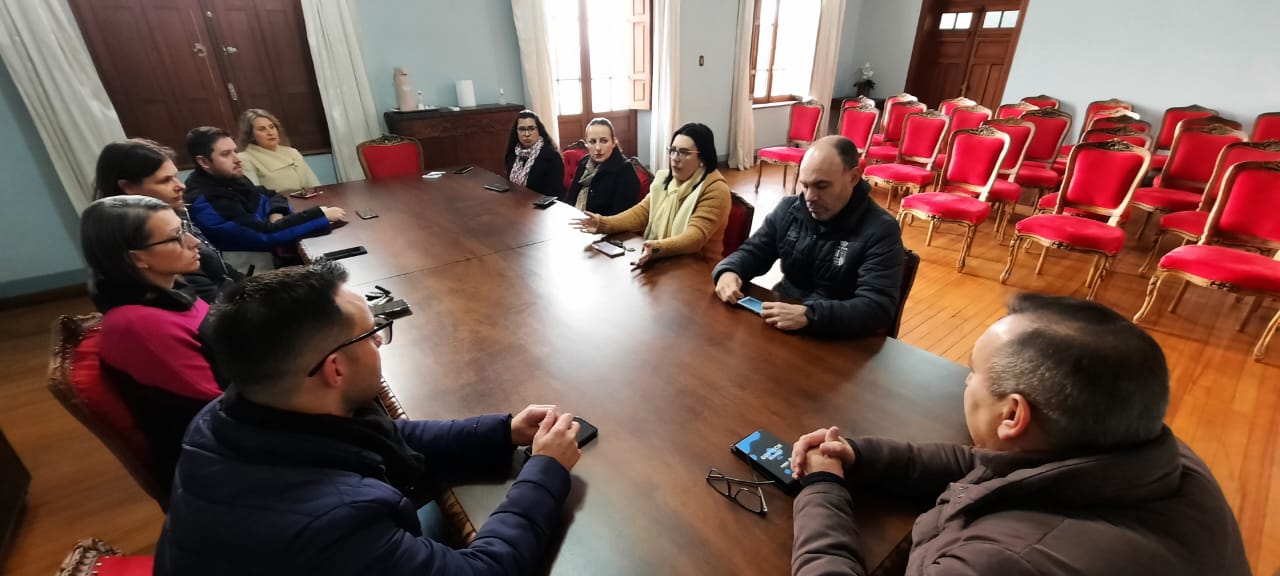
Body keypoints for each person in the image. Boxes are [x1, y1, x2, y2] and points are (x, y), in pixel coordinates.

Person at [155, 261, 583, 575]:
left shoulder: (225, 416)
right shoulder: (334, 524)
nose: (379, 341)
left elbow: (381, 435)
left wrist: (503, 432)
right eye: (370, 332)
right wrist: (545, 470)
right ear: (335, 369)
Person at [788, 293, 1250, 576]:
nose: (966, 382)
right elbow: (995, 466)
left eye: (973, 372)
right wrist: (860, 455)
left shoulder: (1002, 561)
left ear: (1012, 414)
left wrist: (822, 487)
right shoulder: (1157, 454)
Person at [80, 195, 223, 504]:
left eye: (184, 228)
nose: (194, 242)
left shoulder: (170, 289)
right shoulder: (139, 325)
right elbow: (219, 409)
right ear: (137, 259)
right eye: (176, 237)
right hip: (216, 465)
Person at [712, 136, 904, 339]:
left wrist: (810, 315)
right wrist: (729, 270)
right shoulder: (789, 209)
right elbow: (753, 252)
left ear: (853, 178)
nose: (810, 197)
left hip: (837, 339)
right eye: (805, 185)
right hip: (784, 323)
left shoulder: (881, 230)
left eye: (822, 186)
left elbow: (877, 307)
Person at [94, 139, 242, 303]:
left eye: (175, 177)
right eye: (165, 180)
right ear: (128, 188)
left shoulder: (176, 213)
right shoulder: (148, 238)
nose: (181, 186)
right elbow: (210, 302)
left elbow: (221, 271)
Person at [571, 123, 731, 267]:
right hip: (661, 260)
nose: (675, 158)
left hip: (697, 269)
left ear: (702, 158)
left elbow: (695, 238)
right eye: (673, 151)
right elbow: (641, 213)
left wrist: (657, 247)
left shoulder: (715, 189)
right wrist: (604, 223)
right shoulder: (665, 179)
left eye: (684, 152)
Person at [183, 126, 344, 267]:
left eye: (235, 151)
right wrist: (320, 215)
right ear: (204, 162)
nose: (237, 160)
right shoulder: (205, 200)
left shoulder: (230, 179)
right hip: (251, 274)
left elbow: (271, 195)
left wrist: (276, 214)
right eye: (226, 154)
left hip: (272, 257)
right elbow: (264, 235)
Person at [563, 117, 640, 216]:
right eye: (592, 142)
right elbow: (571, 198)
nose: (598, 148)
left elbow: (622, 217)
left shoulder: (625, 170)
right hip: (574, 219)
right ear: (587, 144)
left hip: (601, 225)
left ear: (613, 142)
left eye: (604, 141)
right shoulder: (584, 162)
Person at [236, 108, 322, 193]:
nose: (270, 133)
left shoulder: (292, 152)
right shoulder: (245, 158)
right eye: (262, 129)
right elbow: (255, 195)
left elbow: (314, 185)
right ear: (251, 135)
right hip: (278, 201)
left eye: (272, 127)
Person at [504, 109, 564, 198]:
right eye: (522, 129)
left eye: (531, 129)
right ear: (516, 132)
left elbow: (553, 195)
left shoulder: (552, 157)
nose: (527, 134)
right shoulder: (513, 155)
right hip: (515, 202)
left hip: (541, 205)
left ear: (539, 130)